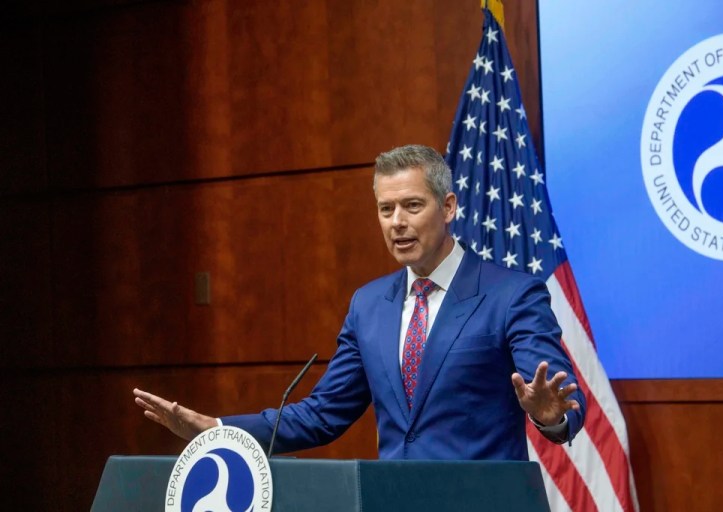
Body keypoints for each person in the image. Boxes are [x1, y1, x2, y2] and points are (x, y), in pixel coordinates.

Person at [134, 144, 585, 460]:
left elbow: (561, 398)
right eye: (385, 209)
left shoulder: (512, 295)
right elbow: (322, 414)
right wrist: (216, 429)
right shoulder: (369, 305)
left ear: (448, 208)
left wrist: (552, 419)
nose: (397, 223)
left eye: (411, 206)